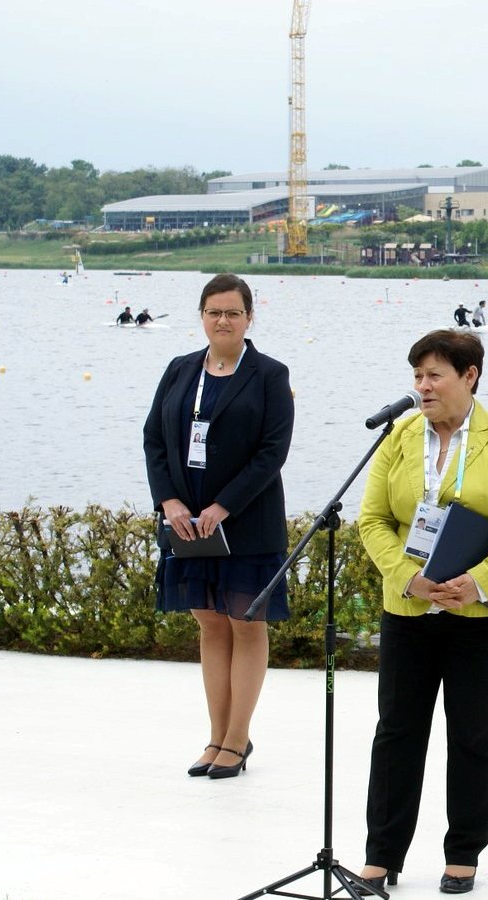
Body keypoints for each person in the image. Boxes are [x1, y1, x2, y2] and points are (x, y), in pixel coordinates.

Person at [354, 328, 488, 895]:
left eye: (435, 375)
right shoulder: (399, 436)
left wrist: (480, 582)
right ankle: (381, 855)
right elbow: (372, 521)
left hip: (482, 616)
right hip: (409, 608)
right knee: (396, 732)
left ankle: (463, 852)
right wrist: (407, 576)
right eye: (417, 375)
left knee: (474, 734)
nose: (423, 386)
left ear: (470, 376)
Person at [142, 273, 293, 780]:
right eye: (214, 312)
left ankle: (237, 740)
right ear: (201, 317)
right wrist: (170, 502)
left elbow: (273, 452)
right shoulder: (180, 369)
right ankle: (215, 736)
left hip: (246, 521)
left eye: (233, 312)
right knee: (209, 621)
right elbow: (154, 441)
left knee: (246, 624)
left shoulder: (269, 374)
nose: (223, 320)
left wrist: (223, 506)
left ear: (250, 317)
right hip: (186, 521)